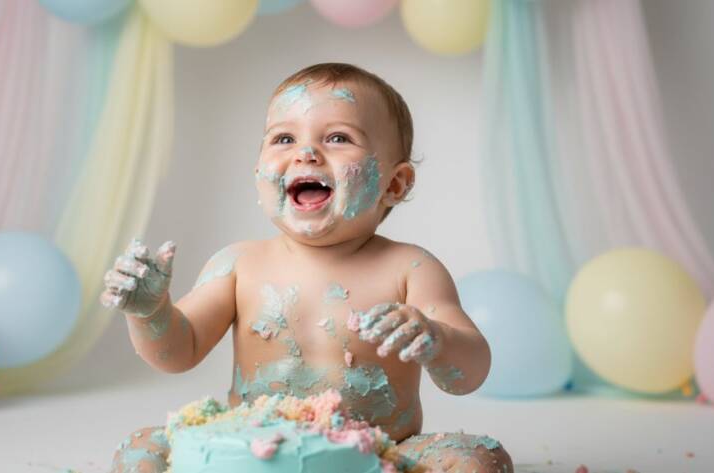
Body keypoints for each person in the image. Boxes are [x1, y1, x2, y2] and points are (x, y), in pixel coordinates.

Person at [101, 63, 513, 473]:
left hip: (379, 454)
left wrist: (436, 339)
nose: (306, 152)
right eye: (283, 138)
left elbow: (469, 375)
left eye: (338, 138)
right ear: (259, 173)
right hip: (250, 451)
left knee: (478, 459)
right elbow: (179, 352)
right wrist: (150, 312)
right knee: (141, 448)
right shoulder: (239, 264)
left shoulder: (411, 268)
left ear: (395, 184)